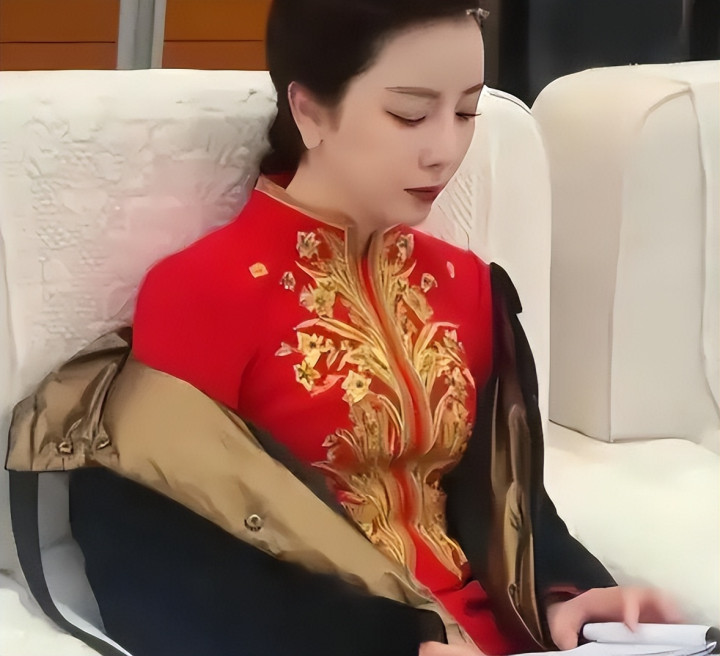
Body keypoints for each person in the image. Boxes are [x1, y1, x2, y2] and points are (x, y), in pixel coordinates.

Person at [55, 1, 681, 655]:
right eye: (410, 114)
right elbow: (162, 560)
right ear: (309, 113)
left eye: (467, 112)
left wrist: (568, 597)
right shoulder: (205, 293)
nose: (445, 151)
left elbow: (507, 507)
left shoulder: (465, 285)